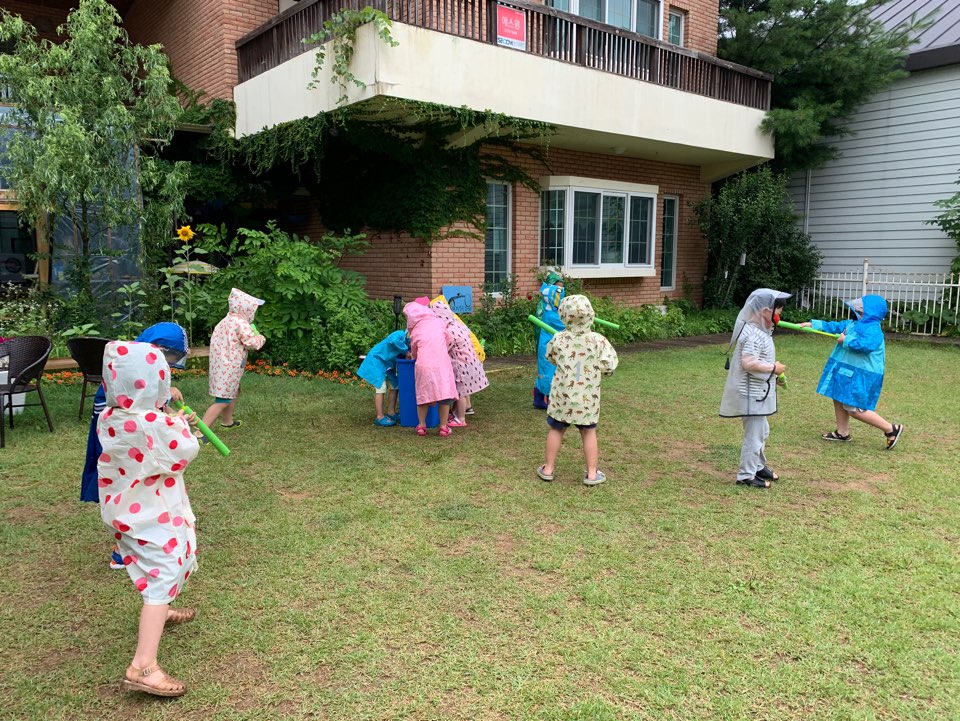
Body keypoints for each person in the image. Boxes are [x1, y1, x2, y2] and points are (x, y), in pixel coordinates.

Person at [97, 340, 200, 697]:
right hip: (153, 515)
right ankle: (143, 666)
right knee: (165, 570)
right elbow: (184, 451)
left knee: (159, 566)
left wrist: (171, 421)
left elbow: (154, 440)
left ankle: (161, 609)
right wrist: (180, 426)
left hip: (126, 512)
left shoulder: (111, 416)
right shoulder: (152, 423)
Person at [80, 322, 190, 568]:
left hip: (134, 453)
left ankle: (132, 546)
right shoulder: (120, 393)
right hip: (126, 454)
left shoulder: (133, 371)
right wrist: (175, 422)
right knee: (129, 494)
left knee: (135, 496)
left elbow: (150, 405)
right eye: (170, 356)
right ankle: (124, 551)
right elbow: (142, 412)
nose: (171, 364)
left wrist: (172, 416)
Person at [801, 295, 903, 449]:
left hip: (862, 373)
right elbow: (834, 326)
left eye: (863, 307)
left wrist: (845, 340)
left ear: (871, 311)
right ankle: (842, 432)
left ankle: (890, 429)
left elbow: (865, 346)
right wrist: (812, 324)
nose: (858, 308)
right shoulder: (852, 323)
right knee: (838, 396)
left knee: (853, 408)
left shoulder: (873, 330)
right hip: (846, 368)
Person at [535, 295, 618, 485]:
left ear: (564, 316)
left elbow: (550, 356)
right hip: (587, 399)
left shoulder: (559, 338)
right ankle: (592, 474)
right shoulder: (598, 341)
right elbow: (609, 365)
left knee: (556, 429)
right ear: (590, 315)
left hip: (562, 397)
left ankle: (548, 469)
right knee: (588, 432)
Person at [720, 288, 790, 489]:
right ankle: (746, 475)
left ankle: (758, 466)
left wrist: (774, 374)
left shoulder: (761, 331)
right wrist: (774, 368)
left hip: (759, 392)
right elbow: (749, 363)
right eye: (778, 309)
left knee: (763, 431)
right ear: (765, 311)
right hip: (751, 395)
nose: (779, 314)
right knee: (754, 435)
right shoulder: (752, 334)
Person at [200, 288, 266, 435]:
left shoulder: (225, 321)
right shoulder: (241, 323)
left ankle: (227, 421)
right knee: (222, 400)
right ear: (245, 308)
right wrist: (260, 338)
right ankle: (200, 432)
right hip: (229, 367)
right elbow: (252, 343)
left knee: (233, 391)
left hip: (221, 365)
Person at [429, 299, 488, 427]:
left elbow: (444, 348)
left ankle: (461, 419)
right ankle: (456, 414)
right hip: (470, 362)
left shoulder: (449, 332)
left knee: (461, 393)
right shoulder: (458, 324)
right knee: (462, 391)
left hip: (461, 366)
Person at [403, 301, 458, 436]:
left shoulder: (416, 329)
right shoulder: (438, 322)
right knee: (444, 396)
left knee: (423, 395)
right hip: (441, 364)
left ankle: (421, 426)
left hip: (423, 365)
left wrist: (414, 357)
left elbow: (414, 350)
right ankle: (443, 427)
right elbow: (449, 338)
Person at [357, 330, 409, 426]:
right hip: (376, 361)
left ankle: (391, 412)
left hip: (386, 364)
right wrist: (406, 351)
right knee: (381, 387)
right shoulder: (400, 334)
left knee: (395, 386)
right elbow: (394, 341)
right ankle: (379, 417)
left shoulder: (407, 341)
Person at [533, 272, 565, 410]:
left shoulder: (550, 308)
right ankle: (545, 399)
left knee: (548, 369)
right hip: (548, 343)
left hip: (549, 342)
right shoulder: (550, 311)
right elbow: (562, 324)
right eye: (558, 288)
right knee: (548, 370)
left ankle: (540, 398)